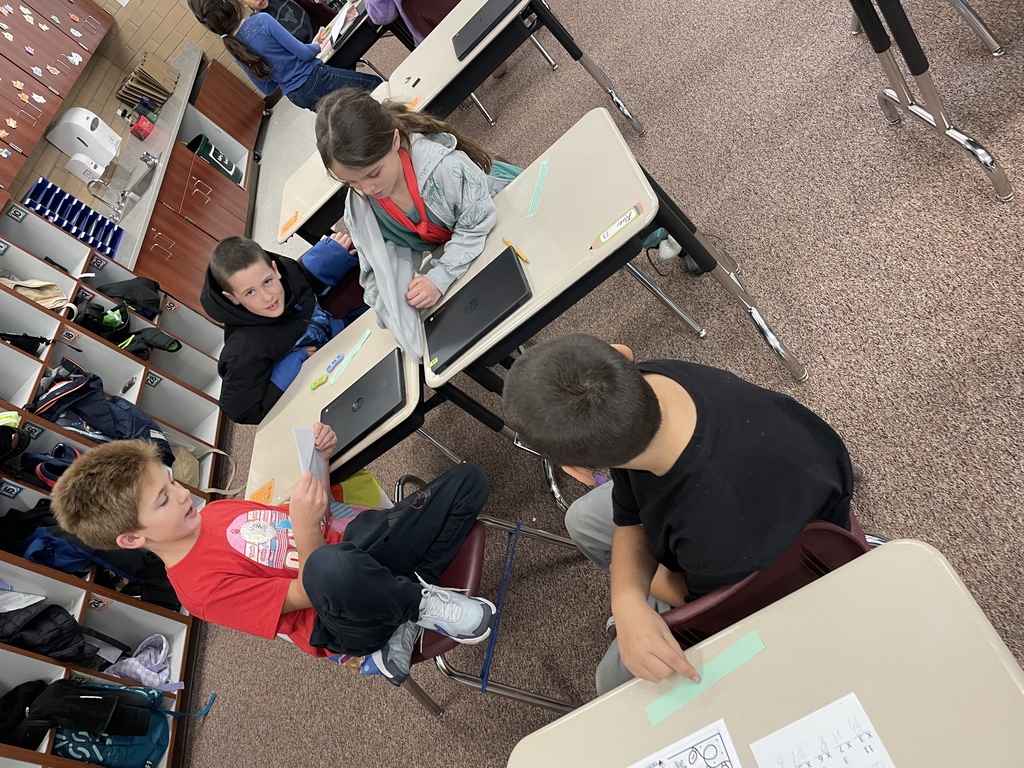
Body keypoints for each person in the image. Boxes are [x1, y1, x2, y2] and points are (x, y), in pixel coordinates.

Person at [501, 334, 856, 695]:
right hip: (772, 471)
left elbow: (702, 599)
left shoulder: (718, 526)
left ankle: (653, 616)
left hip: (772, 558)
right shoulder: (648, 383)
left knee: (610, 683)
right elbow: (629, 509)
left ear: (577, 469)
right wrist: (626, 602)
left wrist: (631, 602)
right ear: (622, 355)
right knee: (582, 519)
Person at [50, 426, 497, 685]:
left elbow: (318, 521)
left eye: (171, 483)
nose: (183, 494)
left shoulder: (215, 512)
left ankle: (405, 608)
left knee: (468, 481)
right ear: (132, 538)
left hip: (353, 559)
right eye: (164, 500)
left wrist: (320, 461)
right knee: (329, 567)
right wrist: (305, 526)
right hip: (339, 619)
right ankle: (418, 605)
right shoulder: (200, 591)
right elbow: (310, 590)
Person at [314, 87, 521, 357]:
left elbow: (478, 221)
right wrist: (393, 311)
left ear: (394, 141)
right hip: (466, 249)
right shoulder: (361, 208)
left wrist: (439, 277)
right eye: (352, 182)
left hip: (508, 213)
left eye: (373, 173)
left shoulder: (443, 167)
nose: (367, 189)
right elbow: (374, 273)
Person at [200, 234, 366, 425]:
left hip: (339, 337)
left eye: (267, 281)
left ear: (275, 269)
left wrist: (330, 256)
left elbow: (303, 283)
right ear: (233, 298)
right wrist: (295, 360)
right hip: (319, 383)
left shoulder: (287, 270)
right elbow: (242, 411)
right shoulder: (243, 351)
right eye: (250, 292)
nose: (267, 297)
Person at [188, 0, 380, 111]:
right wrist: (316, 44)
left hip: (296, 97)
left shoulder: (234, 50)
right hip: (315, 77)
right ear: (234, 5)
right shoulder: (262, 21)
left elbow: (267, 87)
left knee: (344, 115)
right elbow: (305, 54)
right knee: (376, 86)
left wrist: (280, 69)